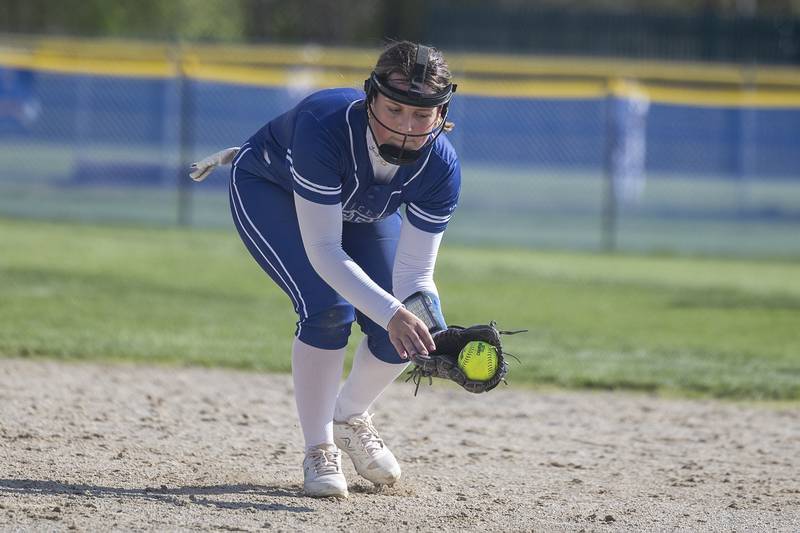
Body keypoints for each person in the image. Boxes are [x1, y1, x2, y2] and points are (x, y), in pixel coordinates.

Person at [207, 40, 460, 498]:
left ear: (442, 114)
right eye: (394, 108)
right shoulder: (326, 124)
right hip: (271, 190)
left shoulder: (441, 167)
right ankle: (319, 447)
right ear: (370, 97)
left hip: (360, 212)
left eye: (422, 115)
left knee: (401, 324)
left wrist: (431, 323)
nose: (406, 128)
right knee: (328, 308)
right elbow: (323, 249)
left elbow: (416, 276)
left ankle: (350, 416)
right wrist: (393, 311)